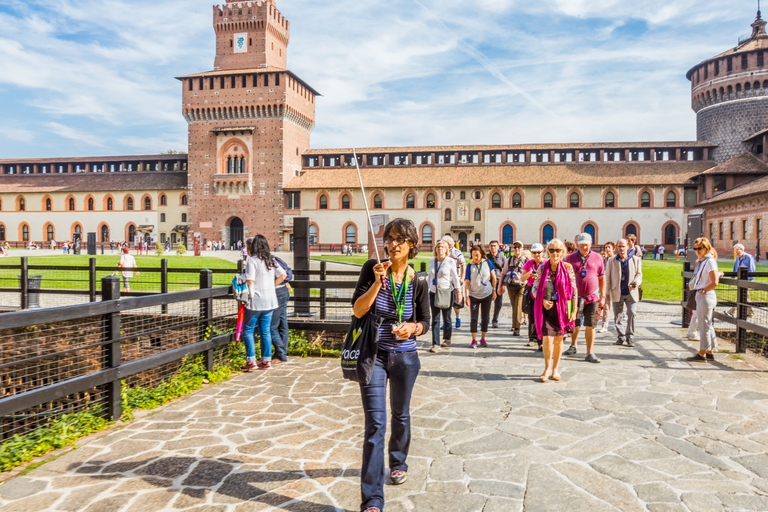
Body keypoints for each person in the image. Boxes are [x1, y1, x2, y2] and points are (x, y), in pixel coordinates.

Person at [351, 218, 429, 512]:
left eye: (400, 239)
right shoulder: (373, 269)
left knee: (401, 415)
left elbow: (426, 321)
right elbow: (358, 310)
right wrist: (376, 284)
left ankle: (398, 461)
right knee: (375, 425)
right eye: (390, 238)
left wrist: (413, 329)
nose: (393, 244)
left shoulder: (417, 280)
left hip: (406, 357)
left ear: (411, 245)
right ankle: (372, 499)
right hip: (374, 356)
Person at [532, 239, 577, 382]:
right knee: (546, 339)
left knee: (558, 339)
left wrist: (574, 309)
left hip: (562, 309)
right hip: (545, 309)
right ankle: (546, 368)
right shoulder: (542, 268)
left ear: (562, 252)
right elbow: (534, 288)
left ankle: (556, 368)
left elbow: (574, 290)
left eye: (558, 250)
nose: (555, 253)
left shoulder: (568, 267)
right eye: (552, 250)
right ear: (548, 252)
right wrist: (543, 300)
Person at [242, 235, 286, 371]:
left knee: (248, 330)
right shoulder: (271, 259)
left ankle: (251, 361)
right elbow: (283, 275)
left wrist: (242, 281)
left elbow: (249, 280)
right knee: (265, 331)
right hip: (270, 300)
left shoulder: (253, 260)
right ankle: (266, 361)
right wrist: (271, 285)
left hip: (256, 300)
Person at [563, 233, 605, 363]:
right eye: (582, 245)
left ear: (591, 243)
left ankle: (589, 352)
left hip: (592, 297)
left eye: (586, 244)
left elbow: (602, 278)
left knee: (591, 325)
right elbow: (565, 277)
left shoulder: (598, 258)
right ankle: (573, 345)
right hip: (575, 298)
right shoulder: (570, 258)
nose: (584, 247)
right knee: (574, 323)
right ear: (577, 245)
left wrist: (602, 296)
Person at [687, 238, 720, 362]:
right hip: (703, 294)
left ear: (706, 248)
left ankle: (702, 353)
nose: (697, 251)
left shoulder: (709, 261)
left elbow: (714, 281)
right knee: (708, 324)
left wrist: (704, 290)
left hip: (706, 296)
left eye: (699, 248)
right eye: (695, 248)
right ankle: (710, 351)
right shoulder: (704, 261)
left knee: (704, 326)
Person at [605, 239, 642, 347]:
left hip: (631, 292)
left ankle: (630, 337)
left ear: (627, 247)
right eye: (619, 246)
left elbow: (639, 274)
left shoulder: (635, 259)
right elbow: (608, 277)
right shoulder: (612, 261)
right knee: (618, 315)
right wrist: (607, 293)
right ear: (617, 247)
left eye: (623, 246)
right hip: (617, 291)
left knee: (632, 312)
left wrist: (635, 283)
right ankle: (620, 337)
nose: (621, 249)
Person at [427, 240, 461, 351]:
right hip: (434, 292)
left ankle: (447, 338)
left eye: (442, 247)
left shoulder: (450, 261)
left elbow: (455, 278)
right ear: (435, 249)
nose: (440, 249)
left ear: (446, 249)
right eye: (438, 247)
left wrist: (458, 292)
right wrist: (427, 290)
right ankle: (435, 343)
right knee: (435, 319)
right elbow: (430, 277)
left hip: (447, 291)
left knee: (447, 318)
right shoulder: (432, 261)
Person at [465, 244, 497, 347]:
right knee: (474, 318)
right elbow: (467, 283)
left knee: (485, 317)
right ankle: (474, 339)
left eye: (477, 255)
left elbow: (494, 278)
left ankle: (483, 338)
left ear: (481, 254)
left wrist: (494, 290)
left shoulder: (488, 263)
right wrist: (467, 296)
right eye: (473, 255)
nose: (475, 257)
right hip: (474, 295)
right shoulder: (470, 266)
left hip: (486, 294)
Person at [498, 241, 527, 335]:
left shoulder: (525, 260)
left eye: (519, 247)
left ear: (522, 249)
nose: (517, 249)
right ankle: (514, 325)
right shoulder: (509, 260)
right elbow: (503, 273)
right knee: (514, 306)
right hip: (511, 285)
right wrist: (500, 286)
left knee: (518, 305)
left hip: (521, 285)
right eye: (515, 247)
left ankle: (517, 328)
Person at [520, 243, 545, 349]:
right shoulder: (529, 263)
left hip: (543, 291)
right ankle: (533, 338)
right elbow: (522, 279)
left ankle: (542, 339)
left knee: (543, 316)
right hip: (531, 292)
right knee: (531, 315)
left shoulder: (546, 263)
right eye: (534, 253)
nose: (537, 255)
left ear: (542, 252)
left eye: (539, 252)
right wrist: (529, 274)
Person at [270, 256, 292, 364]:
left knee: (272, 327)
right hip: (283, 292)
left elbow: (283, 275)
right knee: (283, 325)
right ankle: (280, 354)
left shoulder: (267, 260)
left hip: (277, 293)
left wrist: (269, 286)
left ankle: (281, 354)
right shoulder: (272, 258)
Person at [444, 235, 466, 329]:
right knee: (444, 303)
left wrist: (462, 278)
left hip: (455, 281)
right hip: (445, 282)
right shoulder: (444, 252)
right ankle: (446, 322)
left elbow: (463, 265)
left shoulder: (457, 252)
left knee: (456, 303)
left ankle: (458, 318)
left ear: (449, 244)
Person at [486, 240, 507, 328]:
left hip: (498, 282)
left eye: (495, 246)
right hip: (488, 282)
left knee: (498, 303)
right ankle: (485, 319)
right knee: (486, 302)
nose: (493, 248)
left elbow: (506, 272)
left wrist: (503, 284)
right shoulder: (486, 257)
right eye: (491, 246)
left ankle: (495, 319)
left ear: (498, 247)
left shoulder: (502, 258)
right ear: (489, 247)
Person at [598, 242, 616, 332]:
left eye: (609, 247)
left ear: (613, 249)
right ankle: (604, 325)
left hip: (616, 285)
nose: (607, 249)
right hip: (606, 285)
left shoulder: (616, 259)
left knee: (617, 306)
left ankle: (618, 323)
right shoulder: (602, 260)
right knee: (606, 306)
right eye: (606, 247)